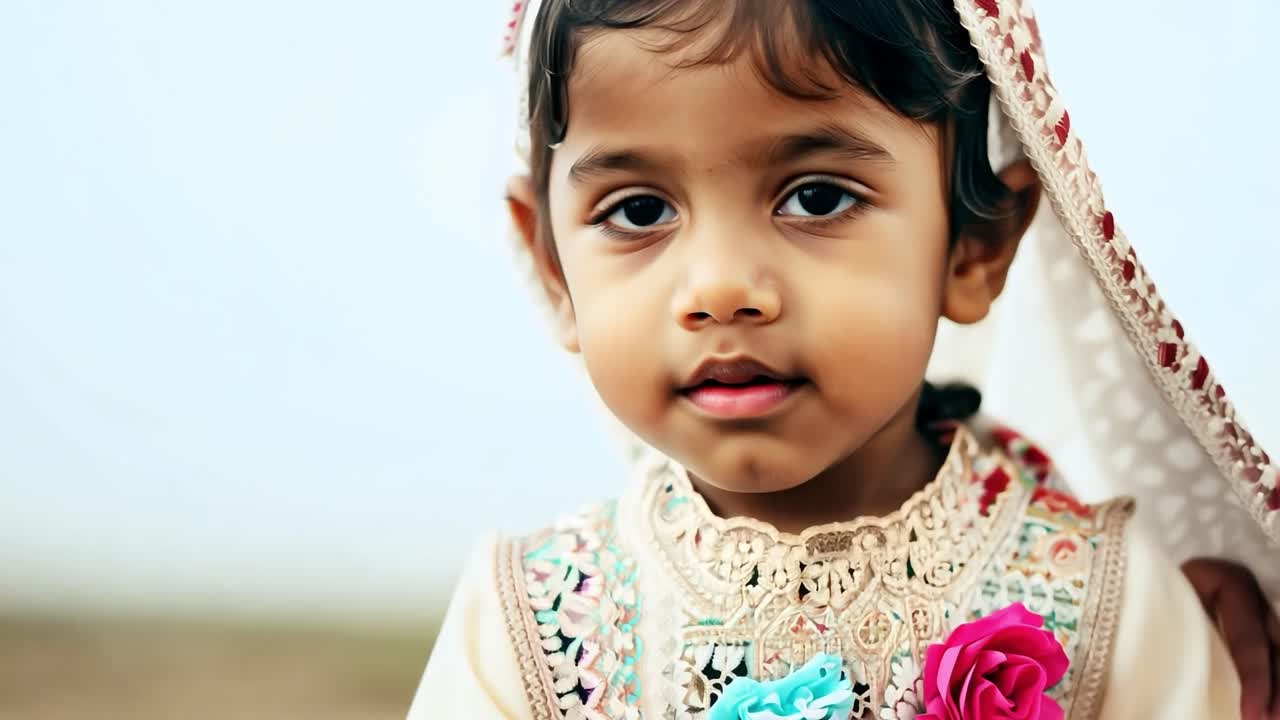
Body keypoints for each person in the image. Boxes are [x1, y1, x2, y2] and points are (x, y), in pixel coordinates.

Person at [411, 0, 1280, 717]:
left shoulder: (1112, 606)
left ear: (975, 246)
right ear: (553, 267)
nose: (719, 288)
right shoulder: (527, 624)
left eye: (815, 197)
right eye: (638, 212)